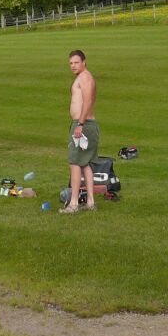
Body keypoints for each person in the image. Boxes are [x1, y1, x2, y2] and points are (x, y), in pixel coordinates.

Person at [59, 49, 100, 214]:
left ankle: (74, 204)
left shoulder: (85, 77)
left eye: (76, 62)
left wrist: (80, 124)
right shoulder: (82, 77)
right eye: (70, 63)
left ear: (84, 62)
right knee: (84, 164)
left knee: (75, 163)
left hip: (83, 124)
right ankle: (90, 202)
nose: (73, 66)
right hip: (84, 123)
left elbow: (88, 100)